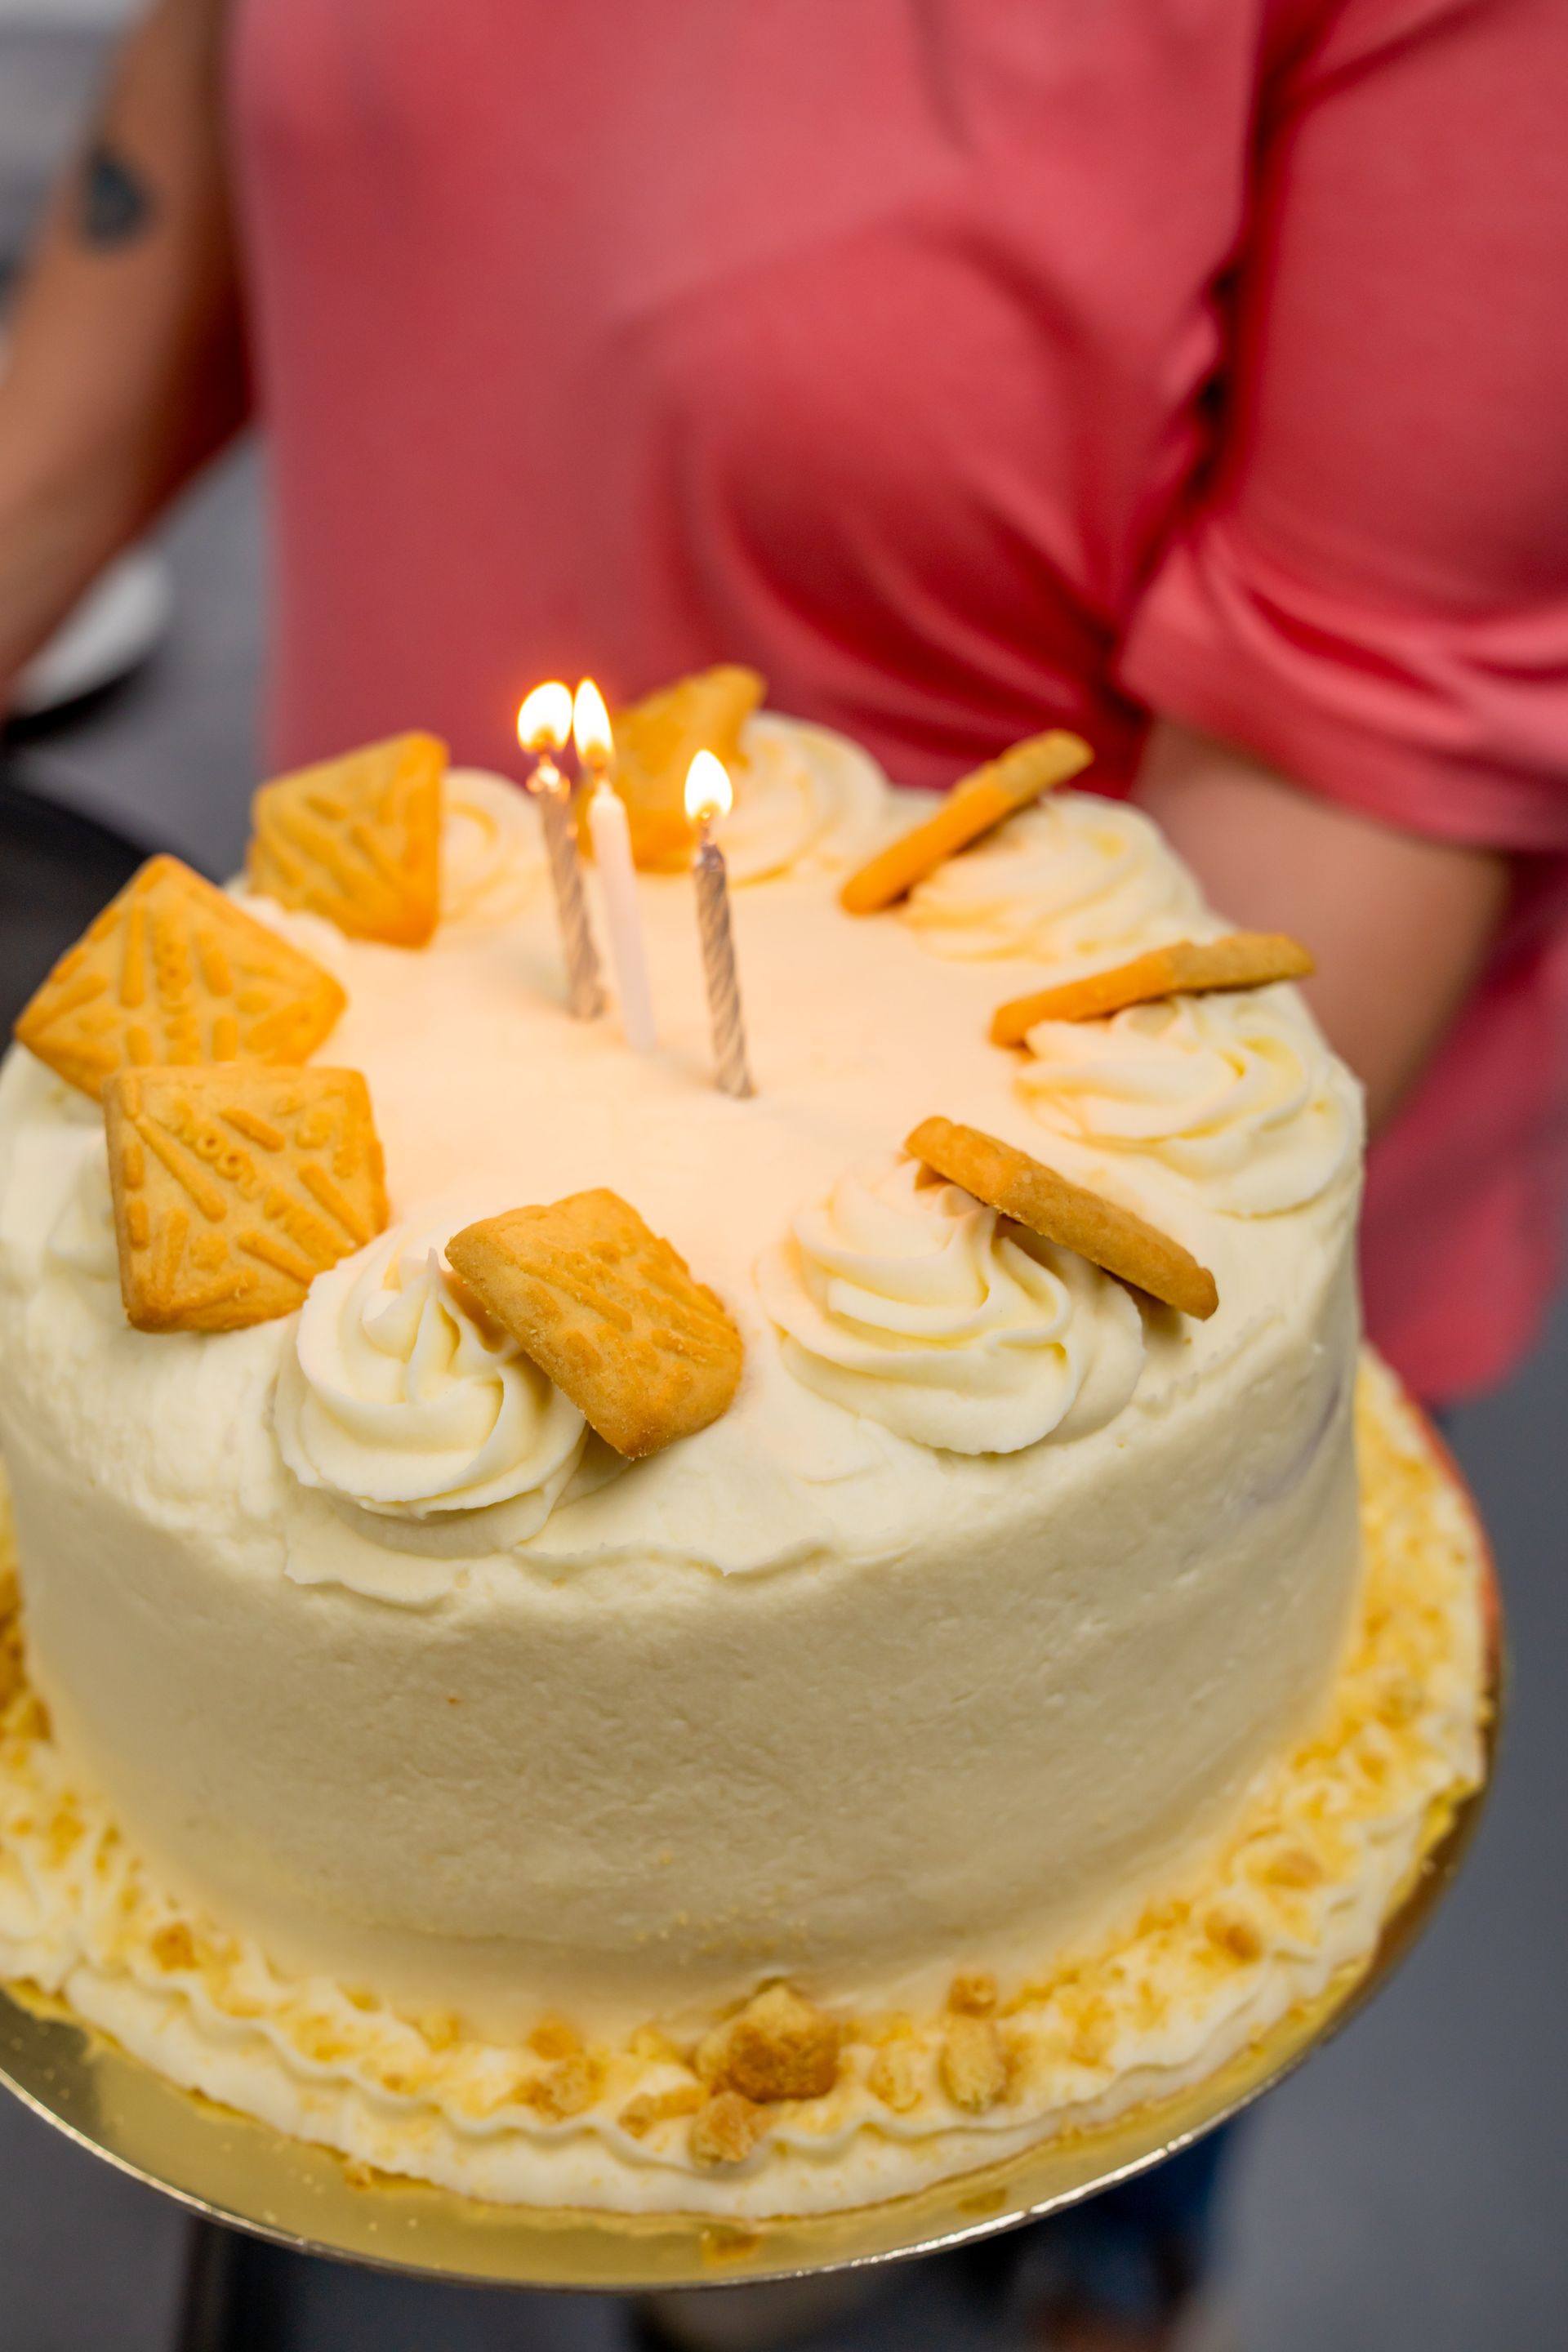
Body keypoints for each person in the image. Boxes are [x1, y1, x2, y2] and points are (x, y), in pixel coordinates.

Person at [2, 3, 1565, 2345]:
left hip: (1045, 1318)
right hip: (424, 1000)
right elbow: (169, 199)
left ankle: (1091, 2262)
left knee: (1086, 1871)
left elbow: (1372, 753)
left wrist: (862, 1530)